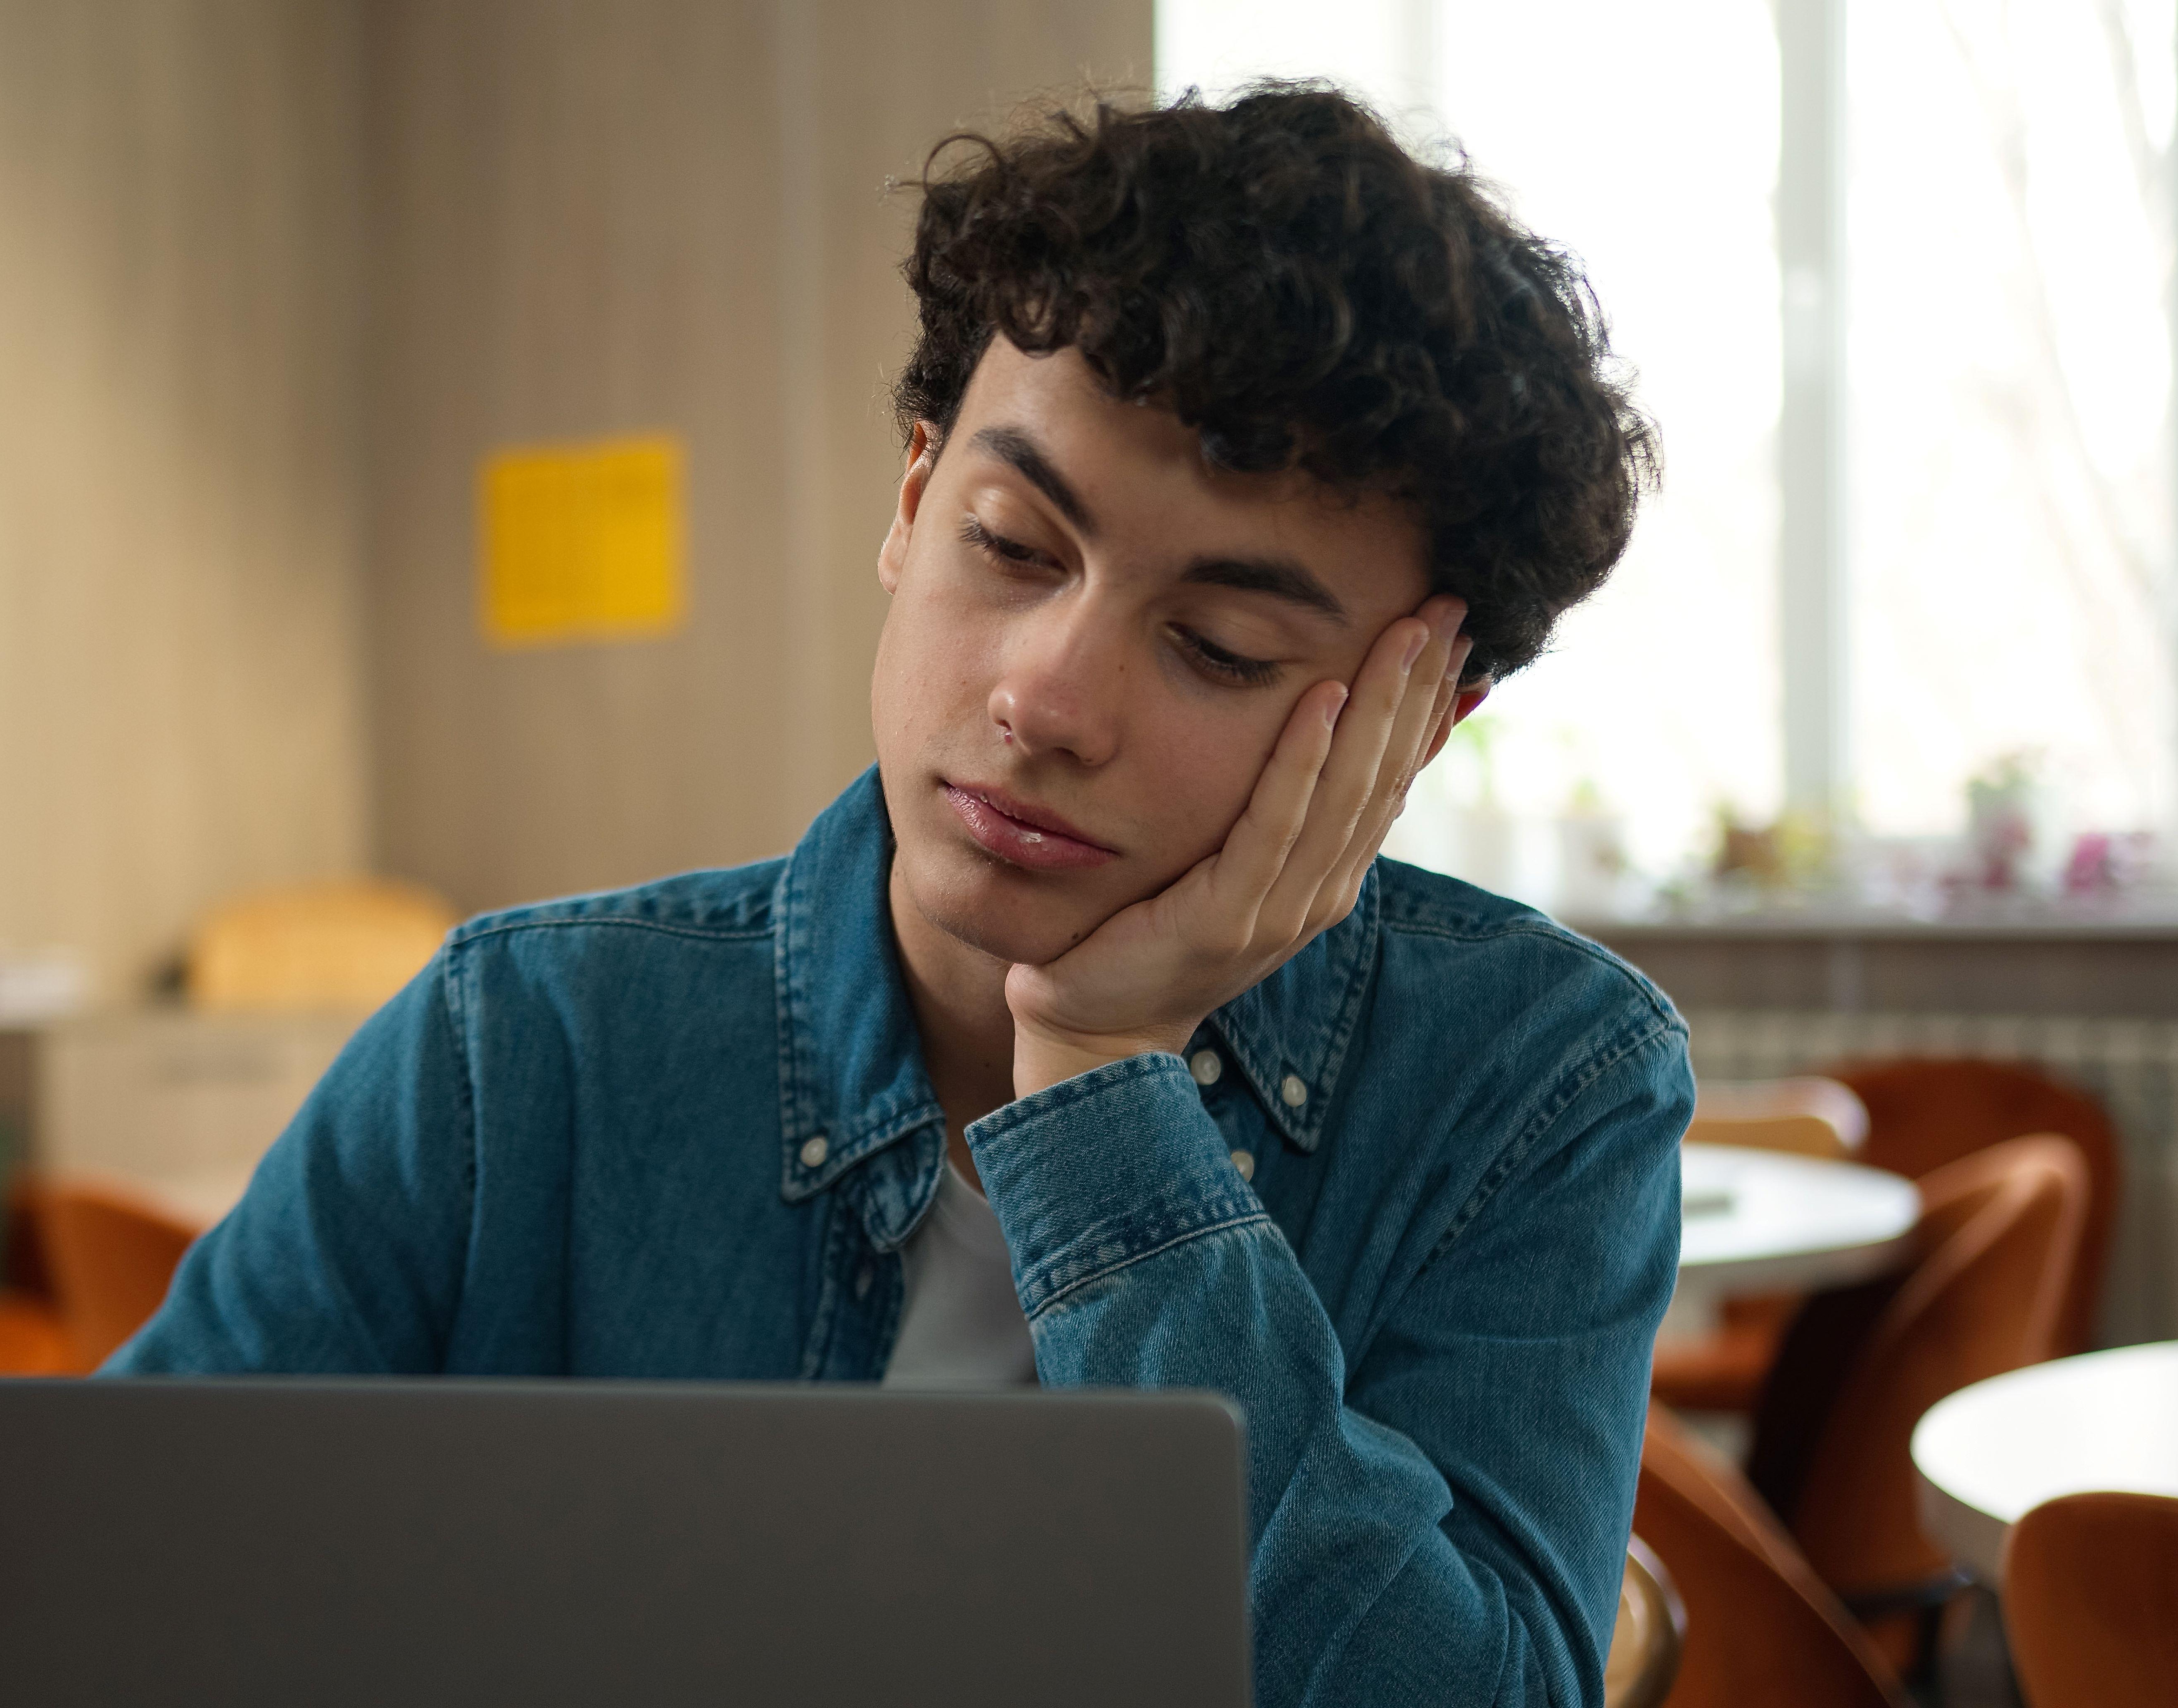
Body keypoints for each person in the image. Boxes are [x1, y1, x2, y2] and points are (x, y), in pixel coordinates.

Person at [109, 82, 1684, 1708]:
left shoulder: (1538, 1080)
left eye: (1218, 645)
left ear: (1413, 721)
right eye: (1011, 545)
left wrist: (1106, 1079)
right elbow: (102, 1592)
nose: (1043, 698)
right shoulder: (518, 1046)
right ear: (911, 499)